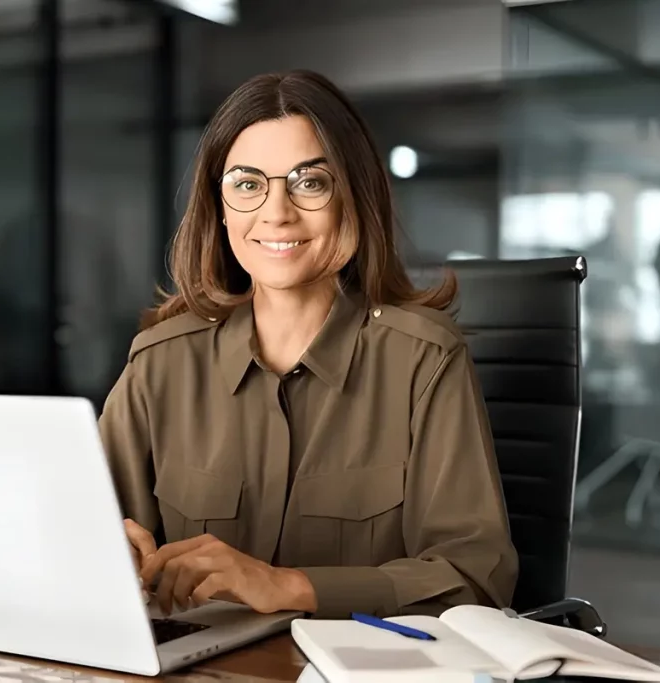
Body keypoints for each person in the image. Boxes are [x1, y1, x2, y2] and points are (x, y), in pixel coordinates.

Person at [97, 69, 518, 620]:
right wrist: (103, 554)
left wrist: (289, 586)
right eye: (248, 184)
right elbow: (85, 537)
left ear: (354, 197)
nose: (276, 212)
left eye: (309, 182)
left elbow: (475, 579)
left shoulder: (424, 359)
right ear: (219, 206)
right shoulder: (160, 362)